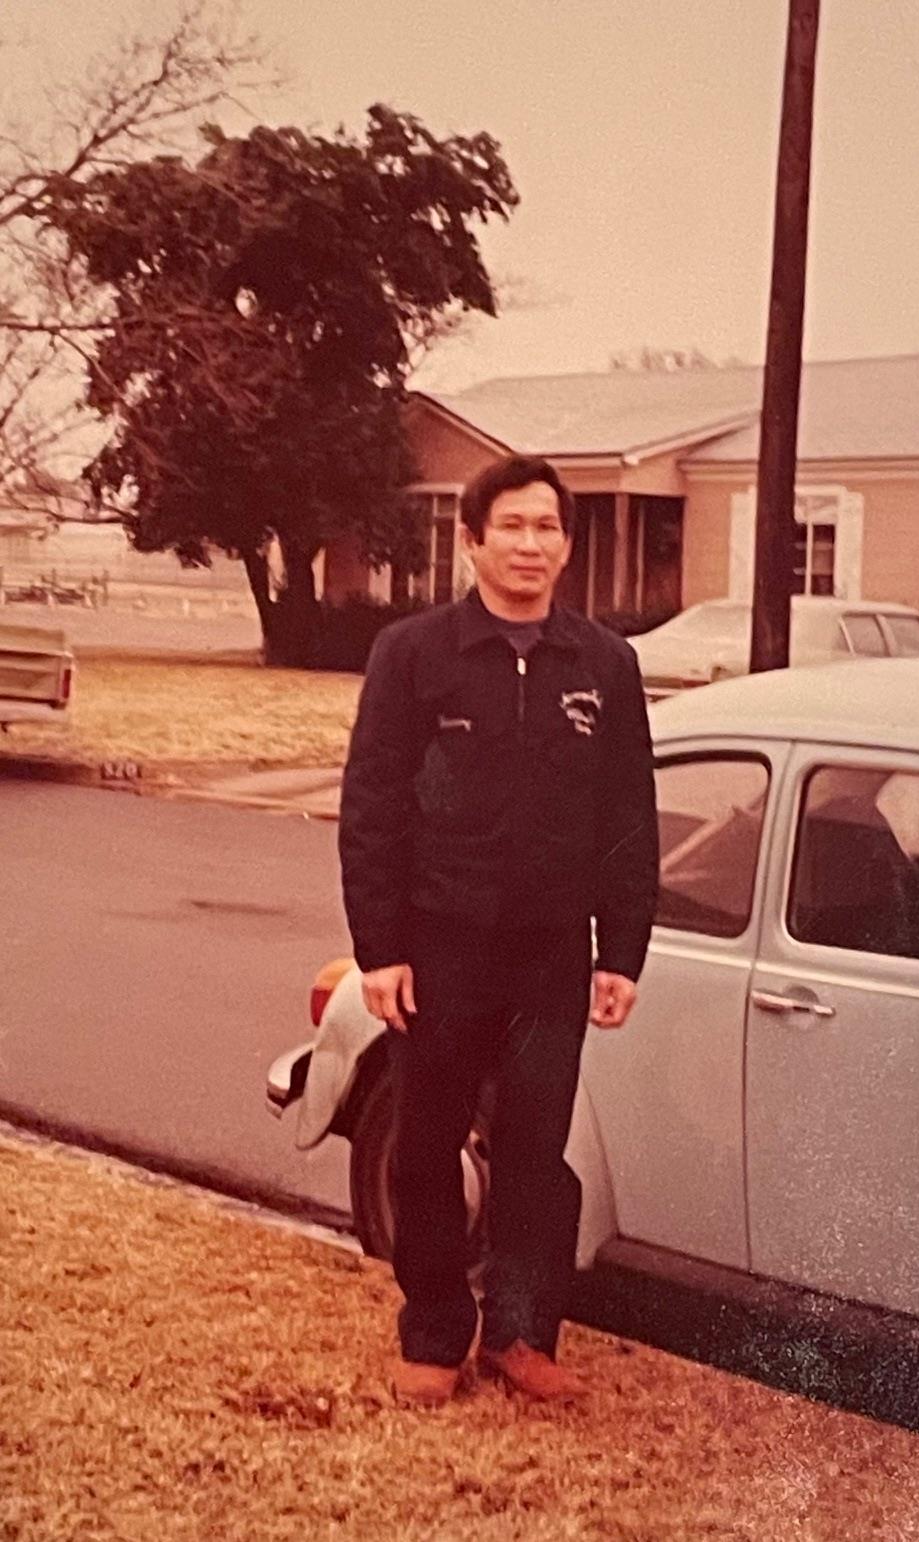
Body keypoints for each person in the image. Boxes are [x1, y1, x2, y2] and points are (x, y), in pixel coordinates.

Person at [338, 454, 659, 1407]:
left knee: (535, 1154)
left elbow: (628, 817)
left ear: (567, 543)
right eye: (511, 526)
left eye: (547, 527)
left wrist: (622, 950)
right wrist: (379, 948)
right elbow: (372, 808)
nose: (531, 544)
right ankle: (436, 1331)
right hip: (439, 948)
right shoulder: (414, 654)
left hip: (551, 955)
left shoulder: (604, 665)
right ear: (471, 540)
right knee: (430, 1143)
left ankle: (521, 1333)